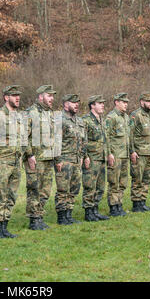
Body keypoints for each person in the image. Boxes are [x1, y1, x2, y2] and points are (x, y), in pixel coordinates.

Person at [0, 85, 23, 238]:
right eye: (14, 95)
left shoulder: (19, 116)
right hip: (2, 161)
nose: (17, 98)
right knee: (0, 194)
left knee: (11, 195)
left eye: (18, 95)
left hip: (16, 162)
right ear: (6, 97)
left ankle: (5, 226)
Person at [23, 85, 56, 230]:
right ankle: (34, 219)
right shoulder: (31, 113)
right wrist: (29, 154)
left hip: (48, 157)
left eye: (52, 96)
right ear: (41, 96)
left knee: (45, 189)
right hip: (35, 158)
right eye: (49, 95)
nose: (52, 98)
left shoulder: (50, 113)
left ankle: (40, 215)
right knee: (34, 189)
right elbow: (23, 136)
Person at [54, 94, 86, 225]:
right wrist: (58, 160)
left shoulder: (79, 121)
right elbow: (55, 141)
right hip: (64, 160)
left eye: (77, 102)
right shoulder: (59, 120)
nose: (76, 105)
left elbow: (84, 140)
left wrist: (83, 156)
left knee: (74, 188)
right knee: (63, 189)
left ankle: (69, 214)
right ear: (66, 104)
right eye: (73, 103)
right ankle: (62, 216)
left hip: (77, 160)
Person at [81, 95, 110, 222]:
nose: (103, 105)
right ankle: (88, 212)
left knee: (100, 187)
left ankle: (95, 210)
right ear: (92, 105)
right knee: (89, 186)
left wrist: (109, 154)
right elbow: (82, 141)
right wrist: (85, 156)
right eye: (99, 103)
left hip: (102, 158)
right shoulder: (85, 120)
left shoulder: (102, 119)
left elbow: (105, 140)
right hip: (92, 158)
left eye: (103, 103)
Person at [129, 92, 150, 212]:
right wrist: (132, 151)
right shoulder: (136, 115)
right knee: (137, 179)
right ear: (142, 102)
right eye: (148, 101)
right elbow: (130, 135)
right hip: (139, 153)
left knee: (147, 178)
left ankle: (143, 202)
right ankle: (136, 204)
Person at [105, 93, 130, 217]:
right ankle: (113, 207)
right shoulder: (111, 117)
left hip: (125, 155)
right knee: (114, 182)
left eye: (126, 102)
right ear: (116, 102)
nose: (126, 104)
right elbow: (107, 137)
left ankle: (119, 204)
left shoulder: (126, 117)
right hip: (115, 155)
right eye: (123, 102)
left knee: (123, 182)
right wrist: (109, 154)